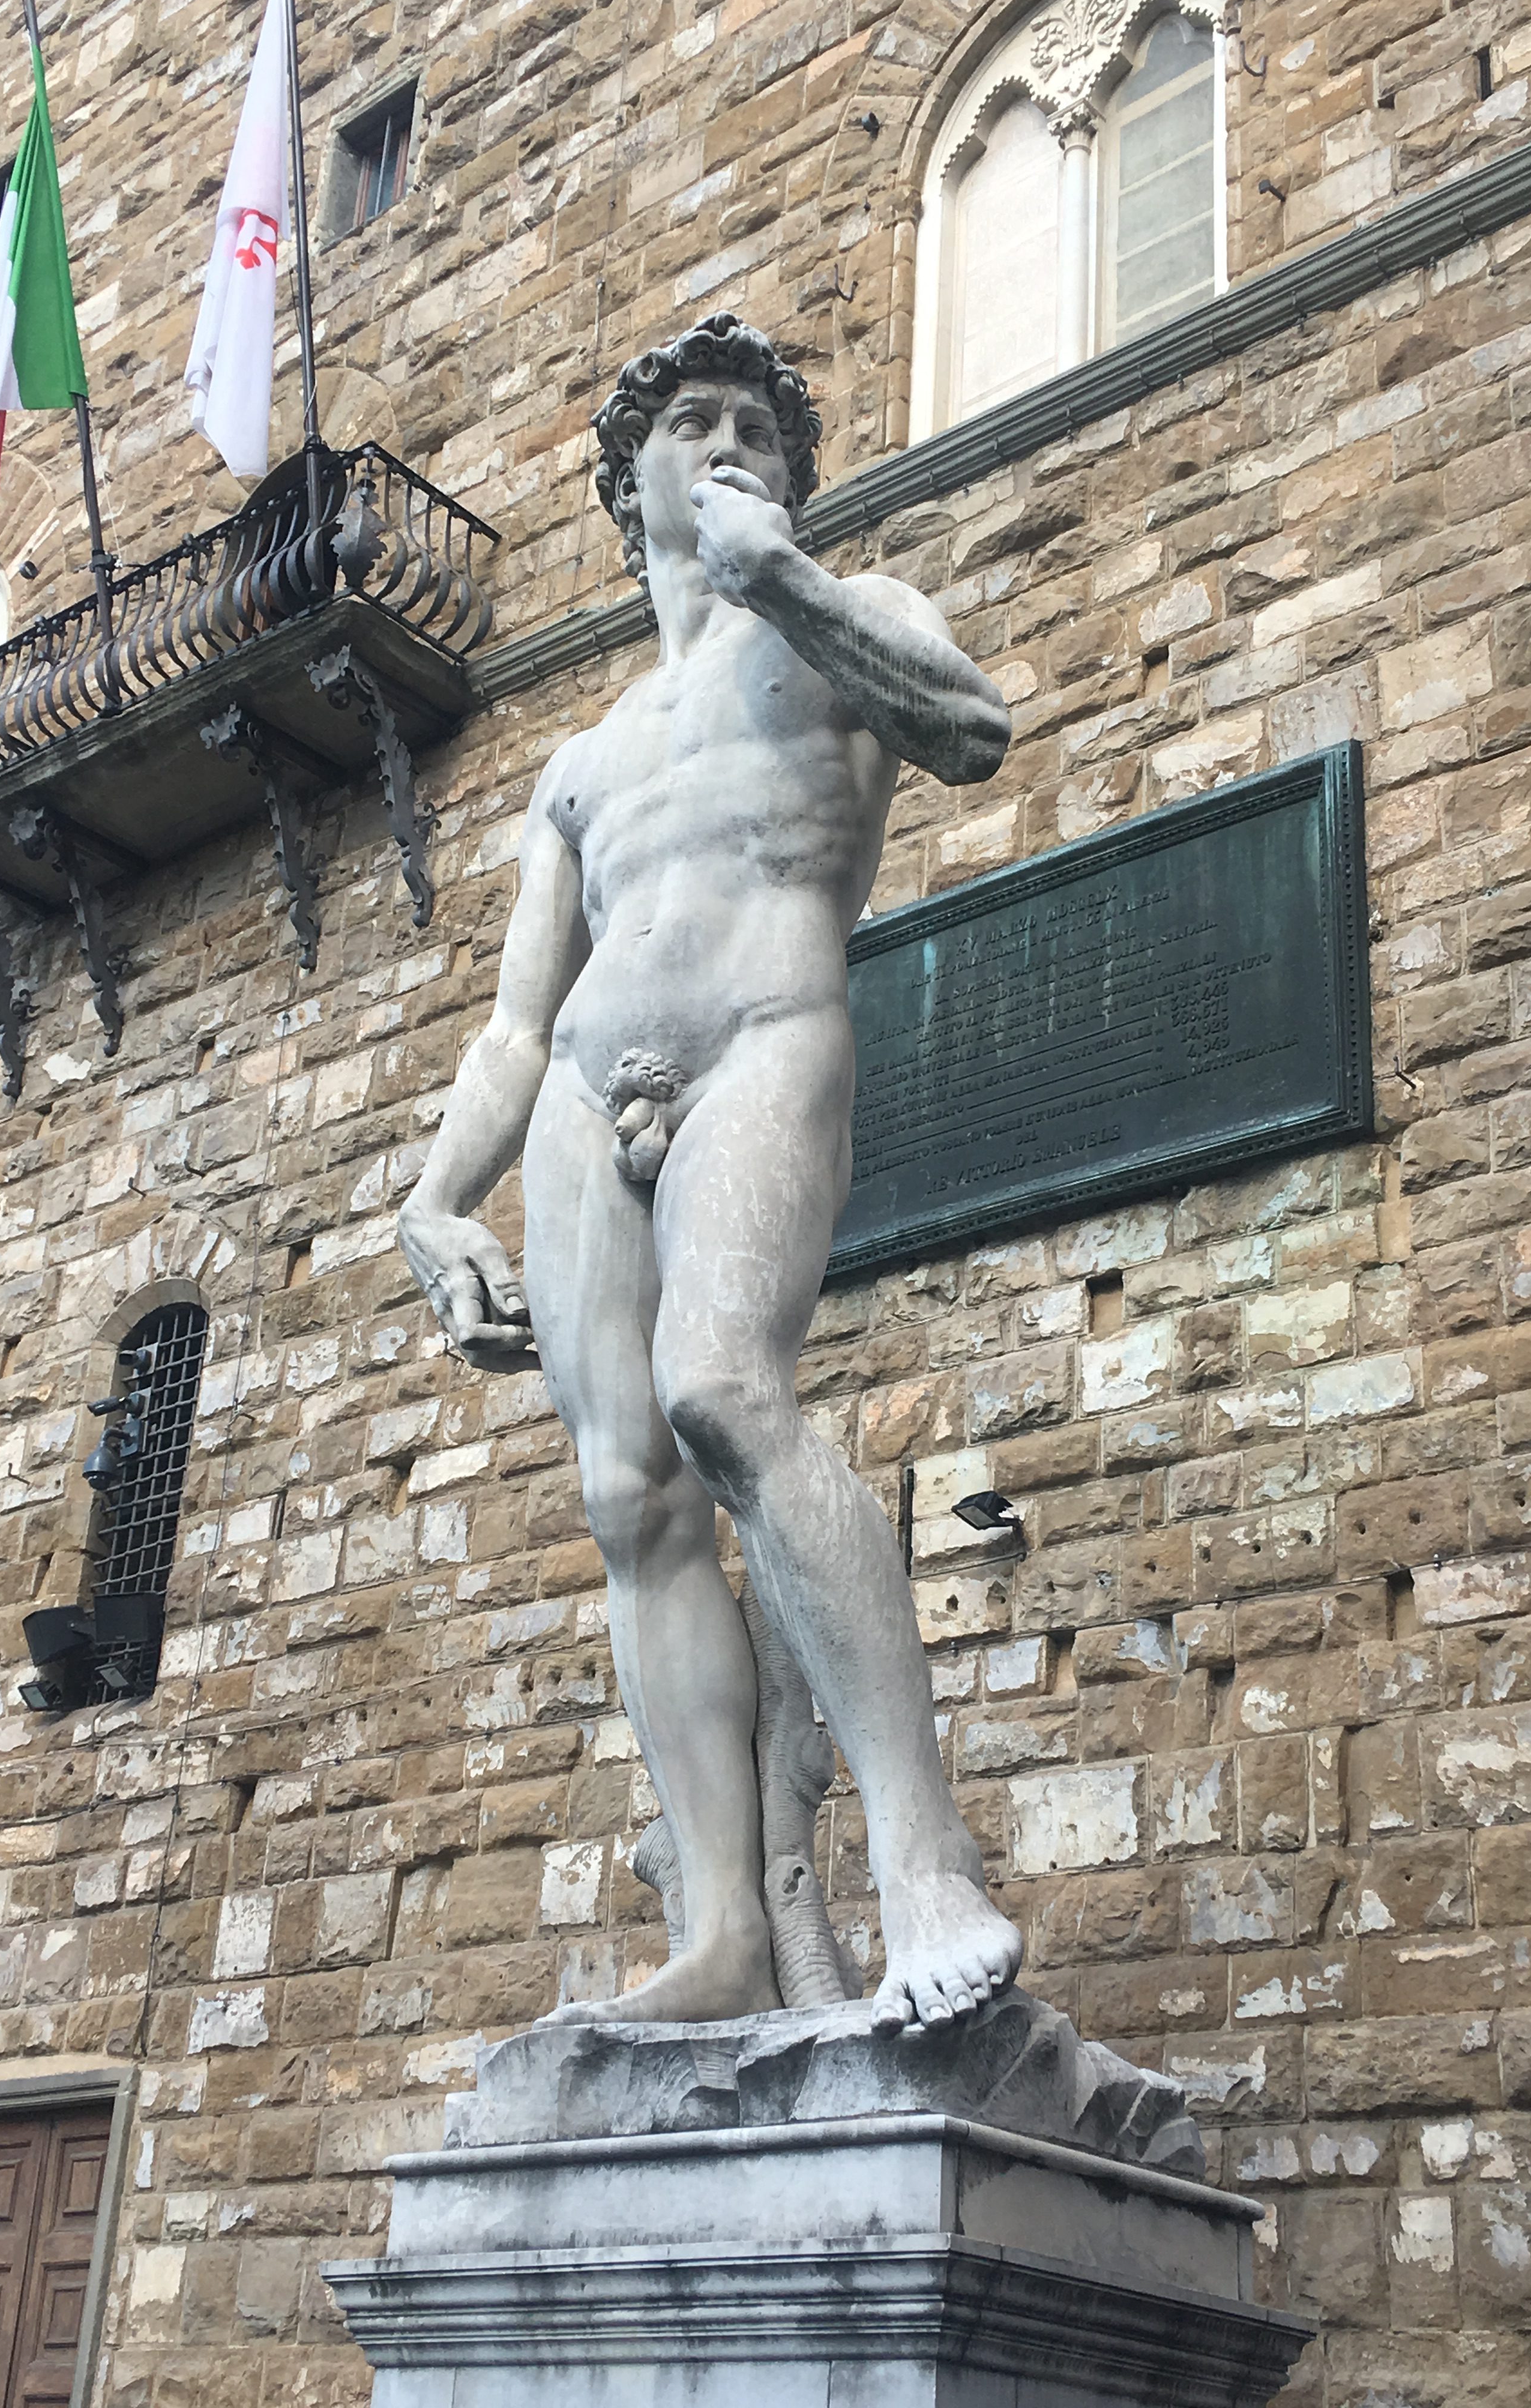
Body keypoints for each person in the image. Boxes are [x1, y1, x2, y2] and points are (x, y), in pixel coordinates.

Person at [399, 312, 1021, 2033]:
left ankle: (922, 1862)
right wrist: (434, 1198)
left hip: (765, 1032)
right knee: (632, 1499)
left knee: (727, 1392)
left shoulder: (844, 614)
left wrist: (785, 582)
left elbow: (973, 726)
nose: (731, 440)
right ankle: (729, 1929)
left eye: (758, 423)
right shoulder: (581, 762)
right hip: (586, 1095)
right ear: (635, 486)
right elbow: (515, 1024)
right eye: (695, 422)